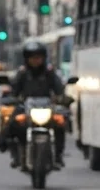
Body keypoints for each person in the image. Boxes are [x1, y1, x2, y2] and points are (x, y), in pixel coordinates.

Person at [6, 40, 67, 168]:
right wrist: (11, 97)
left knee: (61, 124)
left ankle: (58, 156)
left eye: (38, 57)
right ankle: (16, 156)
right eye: (32, 58)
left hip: (47, 107)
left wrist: (63, 98)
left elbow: (59, 89)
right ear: (27, 59)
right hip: (26, 107)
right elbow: (14, 90)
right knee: (12, 124)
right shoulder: (22, 74)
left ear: (43, 58)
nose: (35, 60)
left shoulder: (49, 73)